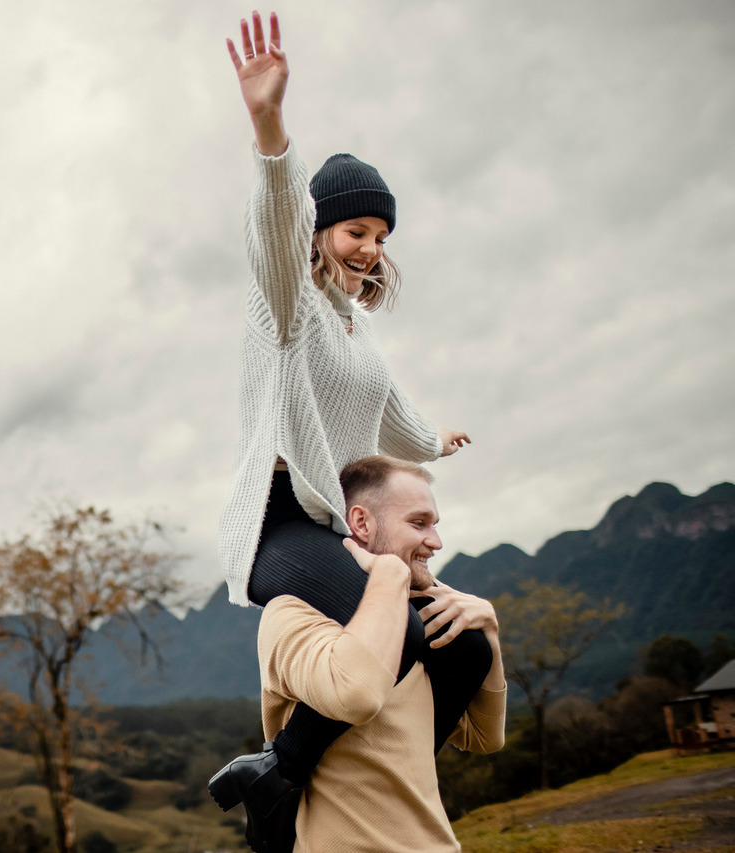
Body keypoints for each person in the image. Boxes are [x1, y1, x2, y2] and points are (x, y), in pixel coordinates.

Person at [208, 10, 495, 850]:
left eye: (379, 236)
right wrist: (270, 131)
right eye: (355, 231)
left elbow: (390, 409)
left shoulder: (356, 325)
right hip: (281, 524)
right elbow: (275, 228)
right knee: (400, 632)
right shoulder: (286, 305)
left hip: (334, 525)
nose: (370, 248)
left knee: (463, 649)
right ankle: (281, 772)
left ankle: (324, 770)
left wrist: (434, 440)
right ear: (322, 230)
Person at [215, 455, 507, 852]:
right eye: (418, 523)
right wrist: (389, 574)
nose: (436, 542)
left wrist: (489, 630)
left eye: (435, 525)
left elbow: (484, 738)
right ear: (362, 523)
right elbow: (357, 693)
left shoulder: (428, 624)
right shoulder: (293, 612)